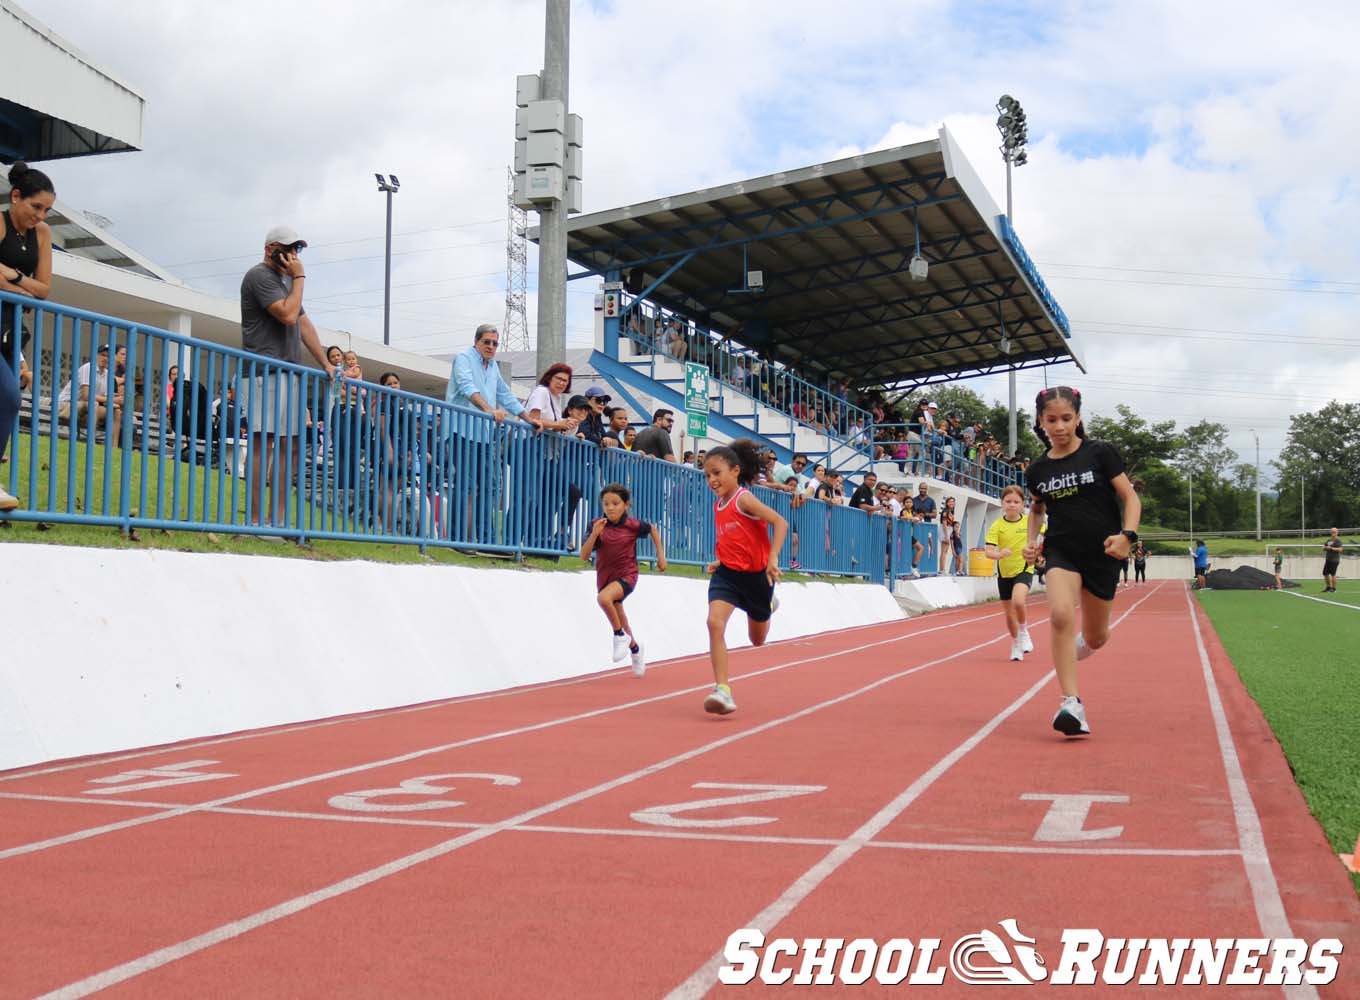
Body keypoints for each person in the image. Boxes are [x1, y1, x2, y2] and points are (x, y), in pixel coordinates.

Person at [1022, 386, 1141, 738]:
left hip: (1104, 554)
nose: (1059, 426)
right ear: (1041, 422)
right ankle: (1070, 702)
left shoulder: (1100, 453)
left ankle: (1072, 652)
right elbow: (1037, 509)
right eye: (1051, 420)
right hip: (1062, 551)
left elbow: (1130, 498)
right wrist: (1033, 541)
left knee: (1096, 637)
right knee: (1060, 614)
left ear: (1078, 418)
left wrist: (1127, 536)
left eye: (1066, 418)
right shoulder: (1038, 469)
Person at [239, 225, 332, 537]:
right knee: (263, 443)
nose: (294, 256)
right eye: (289, 249)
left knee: (291, 446)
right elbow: (288, 315)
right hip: (265, 371)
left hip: (291, 373)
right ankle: (254, 521)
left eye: (298, 251)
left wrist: (325, 364)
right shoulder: (260, 276)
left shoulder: (286, 282)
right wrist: (300, 277)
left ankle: (276, 521)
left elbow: (304, 325)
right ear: (270, 249)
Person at [701, 439, 788, 715]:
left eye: (717, 472)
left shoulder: (744, 499)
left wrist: (772, 558)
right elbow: (734, 537)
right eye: (707, 475)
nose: (712, 480)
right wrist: (721, 559)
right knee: (714, 623)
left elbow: (780, 522)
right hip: (727, 575)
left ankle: (769, 604)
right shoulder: (718, 506)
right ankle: (722, 690)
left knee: (757, 640)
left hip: (757, 579)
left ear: (735, 471)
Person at [445, 323, 542, 543]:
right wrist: (489, 409)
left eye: (494, 343)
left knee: (489, 486)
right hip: (462, 429)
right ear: (476, 342)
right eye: (486, 342)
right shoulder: (464, 358)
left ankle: (487, 540)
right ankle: (457, 538)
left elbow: (505, 394)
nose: (490, 346)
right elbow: (466, 386)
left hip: (484, 434)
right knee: (466, 485)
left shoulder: (493, 367)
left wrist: (529, 419)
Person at [1, 162, 55, 508]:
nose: (40, 215)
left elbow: (45, 290)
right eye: (36, 207)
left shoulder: (43, 234)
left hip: (9, 330)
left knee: (8, 399)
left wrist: (13, 279)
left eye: (47, 210)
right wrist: (27, 287)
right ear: (16, 196)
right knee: (8, 396)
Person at [580, 482, 666, 677]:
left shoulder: (633, 526)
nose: (610, 508)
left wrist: (661, 555)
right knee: (619, 615)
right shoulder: (596, 525)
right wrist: (594, 534)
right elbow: (584, 556)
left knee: (603, 599)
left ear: (626, 505)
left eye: (615, 503)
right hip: (605, 577)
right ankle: (635, 649)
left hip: (627, 575)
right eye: (606, 504)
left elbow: (652, 529)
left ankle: (619, 636)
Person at [985, 485, 1035, 661]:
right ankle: (1015, 645)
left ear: (1022, 504)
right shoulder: (997, 526)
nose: (1012, 505)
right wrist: (999, 554)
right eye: (1008, 501)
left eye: (1016, 502)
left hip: (1024, 568)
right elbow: (988, 551)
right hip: (1004, 572)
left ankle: (1023, 631)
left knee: (1019, 601)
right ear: (1002, 503)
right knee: (1009, 613)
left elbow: (1044, 537)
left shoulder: (1029, 522)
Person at [57, 343, 122, 446]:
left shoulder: (108, 374)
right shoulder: (88, 367)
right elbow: (86, 395)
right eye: (103, 355)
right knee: (94, 404)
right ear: (96, 355)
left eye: (108, 356)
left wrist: (116, 401)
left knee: (116, 411)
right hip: (67, 404)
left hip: (87, 406)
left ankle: (113, 447)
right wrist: (111, 400)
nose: (105, 358)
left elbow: (104, 398)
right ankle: (91, 443)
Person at [941, 496, 964, 575]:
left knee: (945, 551)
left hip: (949, 530)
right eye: (950, 501)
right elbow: (944, 523)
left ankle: (943, 570)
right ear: (947, 503)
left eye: (953, 502)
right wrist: (946, 535)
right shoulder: (945, 511)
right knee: (944, 551)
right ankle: (942, 570)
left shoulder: (951, 512)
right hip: (945, 530)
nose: (952, 503)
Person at [1322, 527, 1343, 593]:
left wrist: (1331, 548)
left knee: (1333, 574)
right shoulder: (1329, 540)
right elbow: (1324, 547)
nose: (1333, 533)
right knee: (1325, 573)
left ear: (1337, 533)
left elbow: (1340, 549)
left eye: (1334, 532)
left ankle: (1334, 588)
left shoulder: (1338, 540)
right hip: (1328, 559)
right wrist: (1325, 548)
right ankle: (1328, 587)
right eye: (1332, 532)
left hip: (1334, 560)